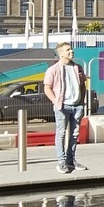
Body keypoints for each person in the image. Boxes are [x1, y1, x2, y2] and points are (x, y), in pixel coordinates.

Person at [43, 40, 89, 175]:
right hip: (62, 106)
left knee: (74, 134)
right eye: (68, 50)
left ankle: (71, 160)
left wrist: (82, 101)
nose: (71, 52)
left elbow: (83, 85)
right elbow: (47, 88)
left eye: (71, 49)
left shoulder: (78, 67)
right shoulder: (53, 70)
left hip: (77, 106)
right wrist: (56, 101)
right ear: (61, 53)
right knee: (61, 133)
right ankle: (61, 162)